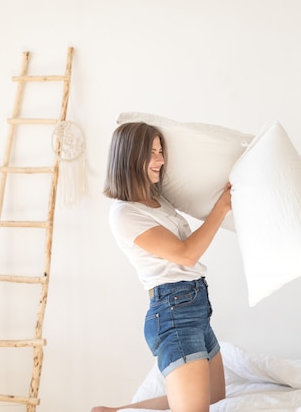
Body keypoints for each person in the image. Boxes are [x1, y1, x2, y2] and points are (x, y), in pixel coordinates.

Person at [93, 122, 231, 412]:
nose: (161, 159)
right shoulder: (124, 214)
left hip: (196, 306)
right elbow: (186, 254)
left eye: (160, 151)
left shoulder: (157, 200)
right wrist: (221, 208)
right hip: (173, 312)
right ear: (130, 157)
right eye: (151, 153)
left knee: (215, 399)